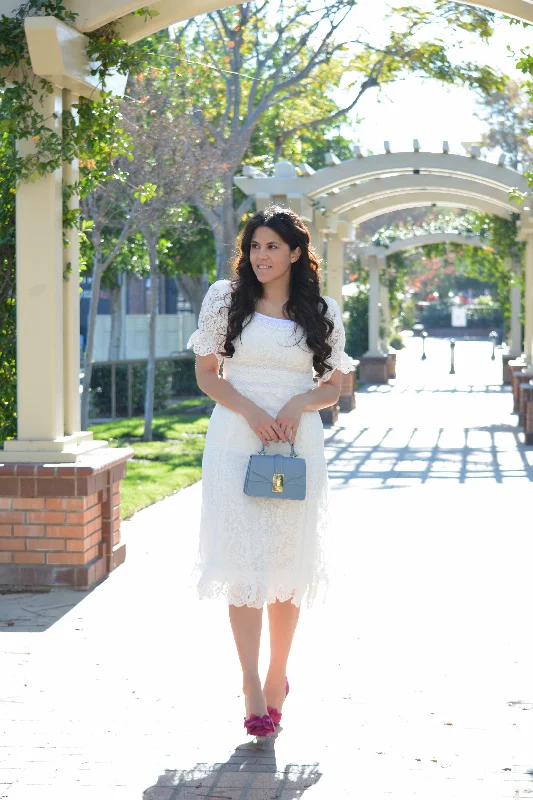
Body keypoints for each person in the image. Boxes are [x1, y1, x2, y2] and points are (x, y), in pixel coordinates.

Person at [187, 206, 354, 739]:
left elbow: (334, 386)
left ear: (296, 254)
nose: (261, 256)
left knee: (285, 561)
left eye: (272, 247)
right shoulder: (225, 299)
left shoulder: (320, 311)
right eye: (254, 246)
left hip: (296, 444)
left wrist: (300, 403)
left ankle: (279, 675)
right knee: (243, 562)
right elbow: (208, 375)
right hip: (235, 440)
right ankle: (251, 685)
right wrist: (253, 412)